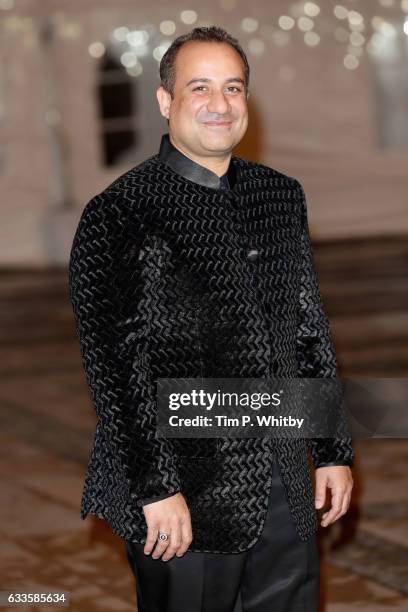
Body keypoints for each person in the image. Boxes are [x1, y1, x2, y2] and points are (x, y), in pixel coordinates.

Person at [68, 25, 354, 612]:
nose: (220, 105)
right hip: (184, 493)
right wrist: (157, 489)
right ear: (166, 101)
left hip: (283, 478)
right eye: (200, 87)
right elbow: (116, 367)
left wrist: (331, 451)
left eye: (233, 87)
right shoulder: (120, 213)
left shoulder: (280, 196)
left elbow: (306, 330)